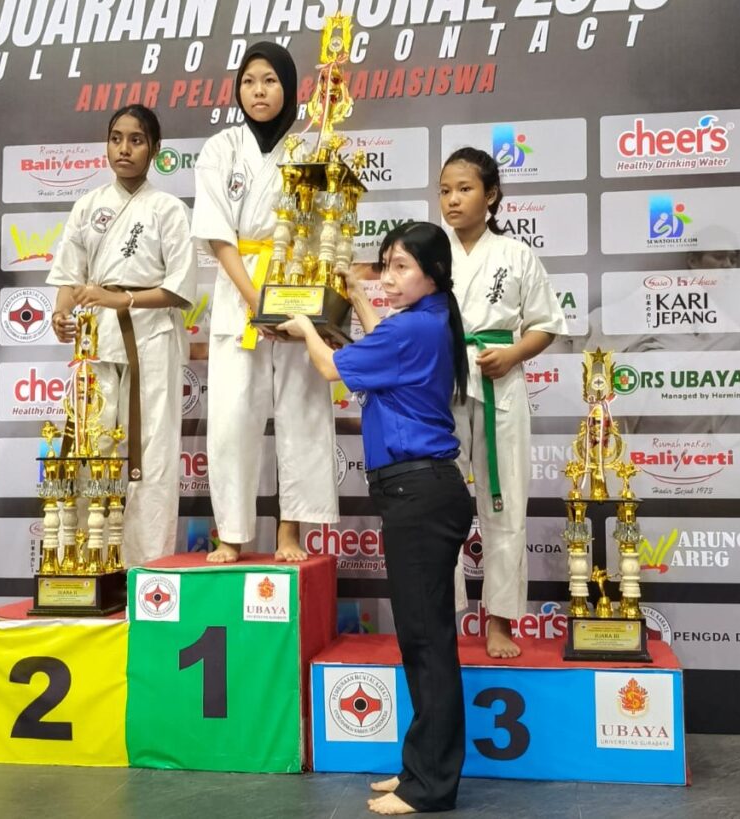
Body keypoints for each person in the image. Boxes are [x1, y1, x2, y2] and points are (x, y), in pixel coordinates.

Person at [280, 222, 474, 815]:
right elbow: (379, 339)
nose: (388, 278)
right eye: (384, 265)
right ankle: (420, 768)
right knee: (422, 638)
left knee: (427, 641)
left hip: (419, 493)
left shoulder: (414, 327)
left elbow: (331, 368)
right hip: (420, 491)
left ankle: (431, 786)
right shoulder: (427, 319)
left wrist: (305, 326)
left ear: (432, 275)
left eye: (401, 268)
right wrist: (356, 297)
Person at [192, 42, 339, 564]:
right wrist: (258, 301)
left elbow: (324, 230)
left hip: (297, 287)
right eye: (250, 81)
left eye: (271, 81)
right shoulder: (220, 149)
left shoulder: (309, 149)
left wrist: (295, 303)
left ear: (290, 88)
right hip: (241, 291)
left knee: (301, 412)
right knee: (232, 418)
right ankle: (231, 534)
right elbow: (217, 234)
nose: (259, 91)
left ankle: (289, 532)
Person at [47, 104, 196, 567]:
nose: (124, 149)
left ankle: (146, 568)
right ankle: (91, 562)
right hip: (96, 340)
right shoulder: (88, 205)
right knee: (91, 447)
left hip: (151, 339)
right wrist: (60, 314)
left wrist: (122, 299)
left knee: (151, 455)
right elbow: (69, 277)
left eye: (136, 140)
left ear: (155, 149)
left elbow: (179, 289)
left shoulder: (168, 209)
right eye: (116, 139)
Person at [439, 147, 567, 659]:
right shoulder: (430, 250)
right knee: (441, 506)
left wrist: (513, 354)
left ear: (490, 195)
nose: (452, 200)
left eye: (464, 189)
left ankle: (500, 621)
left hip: (500, 387)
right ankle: (444, 618)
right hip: (441, 387)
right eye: (445, 190)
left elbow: (546, 324)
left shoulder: (516, 255)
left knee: (504, 503)